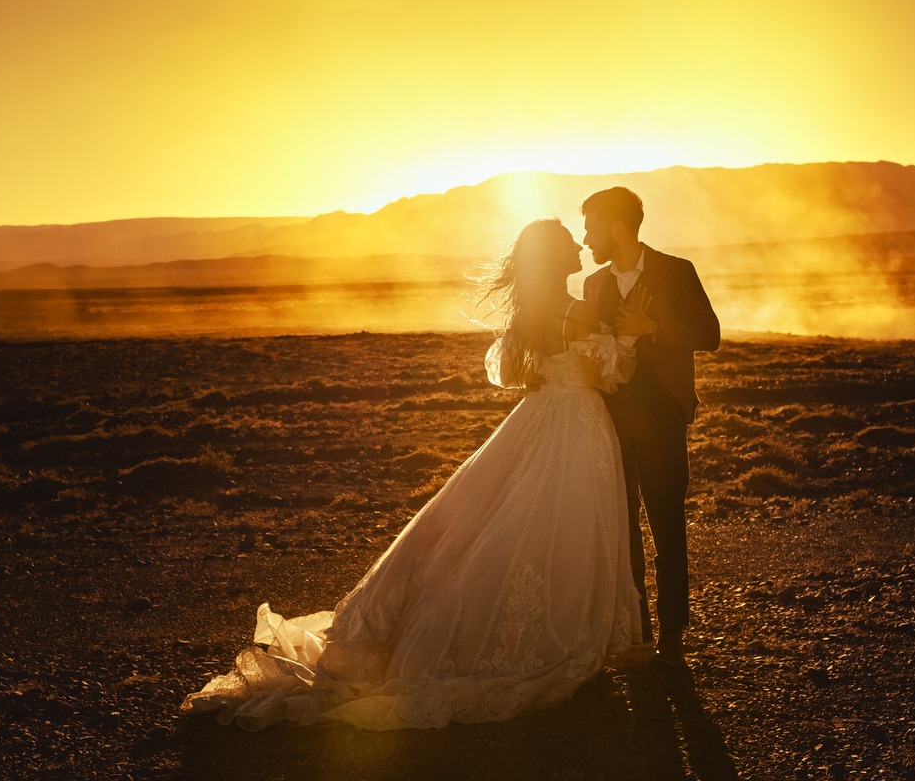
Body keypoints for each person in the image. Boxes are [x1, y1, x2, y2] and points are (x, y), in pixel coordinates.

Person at [181, 218, 652, 731]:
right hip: (574, 428)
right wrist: (635, 332)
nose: (577, 246)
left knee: (519, 524)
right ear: (550, 257)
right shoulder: (568, 310)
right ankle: (541, 637)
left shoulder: (544, 310)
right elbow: (613, 370)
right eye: (566, 242)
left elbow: (540, 369)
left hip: (547, 419)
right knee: (552, 526)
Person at [581, 187, 721, 667]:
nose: (586, 240)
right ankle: (637, 632)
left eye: (592, 228)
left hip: (662, 419)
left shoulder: (676, 271)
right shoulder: (594, 286)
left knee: (667, 526)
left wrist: (653, 329)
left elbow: (710, 334)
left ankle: (673, 637)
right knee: (622, 529)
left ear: (618, 228)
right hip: (612, 422)